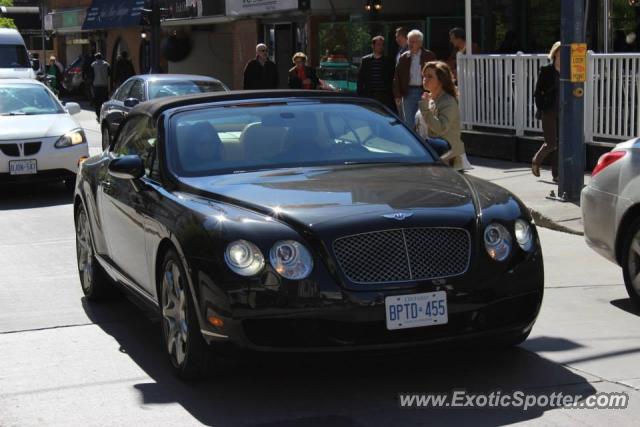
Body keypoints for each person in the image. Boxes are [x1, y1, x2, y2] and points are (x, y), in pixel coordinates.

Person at [417, 61, 467, 170]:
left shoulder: (448, 101)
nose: (425, 79)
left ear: (441, 81)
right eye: (424, 76)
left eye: (430, 76)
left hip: (448, 159)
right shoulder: (429, 99)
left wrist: (425, 109)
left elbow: (440, 128)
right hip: (432, 155)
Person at [393, 29, 436, 128]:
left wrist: (434, 92)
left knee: (424, 121)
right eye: (409, 41)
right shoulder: (404, 57)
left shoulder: (429, 56)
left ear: (420, 43)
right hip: (408, 92)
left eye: (414, 42)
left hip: (424, 92)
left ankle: (422, 142)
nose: (411, 44)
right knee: (409, 122)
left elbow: (436, 75)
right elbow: (397, 77)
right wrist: (397, 94)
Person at [532, 41, 561, 182]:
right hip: (549, 110)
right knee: (551, 143)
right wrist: (542, 107)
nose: (563, 55)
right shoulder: (546, 70)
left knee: (560, 144)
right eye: (560, 51)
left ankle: (557, 175)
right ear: (555, 53)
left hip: (564, 110)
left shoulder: (569, 70)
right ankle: (536, 160)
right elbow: (537, 92)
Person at [357, 35, 396, 111]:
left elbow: (392, 78)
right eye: (378, 44)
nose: (381, 47)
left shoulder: (389, 61)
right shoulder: (366, 60)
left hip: (384, 96)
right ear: (373, 46)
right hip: (370, 95)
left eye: (382, 45)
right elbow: (360, 78)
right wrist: (360, 94)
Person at [91, 53, 111, 120]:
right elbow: (109, 74)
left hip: (96, 85)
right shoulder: (107, 64)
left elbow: (91, 75)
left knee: (97, 101)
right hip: (104, 85)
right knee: (104, 101)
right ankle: (104, 114)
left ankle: (98, 114)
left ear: (96, 58)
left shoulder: (93, 65)